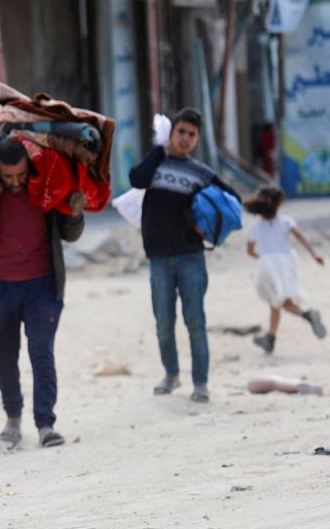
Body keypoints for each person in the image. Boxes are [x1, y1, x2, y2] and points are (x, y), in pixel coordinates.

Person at [0, 137, 86, 448]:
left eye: (21, 175)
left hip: (42, 286)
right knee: (4, 355)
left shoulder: (45, 189)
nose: (16, 182)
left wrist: (74, 213)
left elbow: (69, 234)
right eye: (9, 177)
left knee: (41, 352)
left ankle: (46, 424)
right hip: (0, 288)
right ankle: (13, 421)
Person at [129, 108, 240, 403]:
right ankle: (171, 375)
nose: (186, 139)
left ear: (197, 139)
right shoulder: (156, 164)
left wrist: (206, 223)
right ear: (171, 133)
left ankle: (200, 383)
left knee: (195, 321)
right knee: (164, 322)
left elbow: (233, 201)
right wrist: (159, 148)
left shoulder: (202, 174)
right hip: (159, 258)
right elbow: (137, 180)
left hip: (191, 256)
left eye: (192, 135)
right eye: (181, 132)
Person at [242, 185, 325, 353]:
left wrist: (264, 258)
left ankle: (307, 315)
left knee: (281, 302)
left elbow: (250, 251)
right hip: (288, 263)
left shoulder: (255, 226)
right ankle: (270, 339)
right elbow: (301, 238)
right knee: (276, 303)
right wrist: (315, 255)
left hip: (268, 266)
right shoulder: (286, 221)